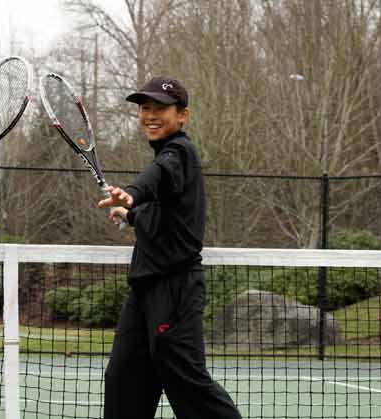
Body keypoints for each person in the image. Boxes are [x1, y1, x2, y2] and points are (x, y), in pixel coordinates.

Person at [98, 76, 242, 419]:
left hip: (175, 290)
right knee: (124, 382)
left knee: (187, 383)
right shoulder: (165, 159)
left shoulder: (179, 153)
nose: (149, 115)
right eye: (144, 108)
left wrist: (133, 192)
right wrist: (130, 213)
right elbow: (166, 214)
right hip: (143, 292)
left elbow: (157, 177)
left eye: (160, 108)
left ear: (182, 115)